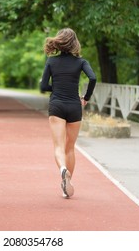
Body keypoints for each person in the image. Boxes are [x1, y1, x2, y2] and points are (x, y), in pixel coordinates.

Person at [40, 28, 96, 199]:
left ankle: (62, 170)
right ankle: (66, 184)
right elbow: (92, 78)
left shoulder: (51, 61)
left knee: (58, 147)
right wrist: (85, 97)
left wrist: (55, 87)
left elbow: (43, 87)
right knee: (69, 147)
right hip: (74, 106)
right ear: (75, 43)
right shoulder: (81, 62)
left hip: (57, 106)